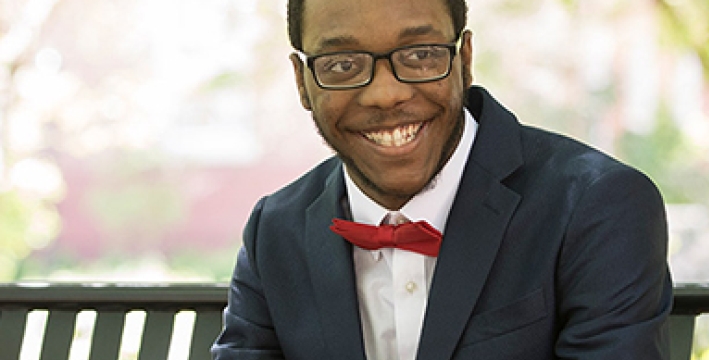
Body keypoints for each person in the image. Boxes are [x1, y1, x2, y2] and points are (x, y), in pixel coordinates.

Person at [211, 0, 673, 358]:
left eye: (420, 55)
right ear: (302, 82)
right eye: (342, 64)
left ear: (464, 59)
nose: (386, 94)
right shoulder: (274, 230)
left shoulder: (597, 206)